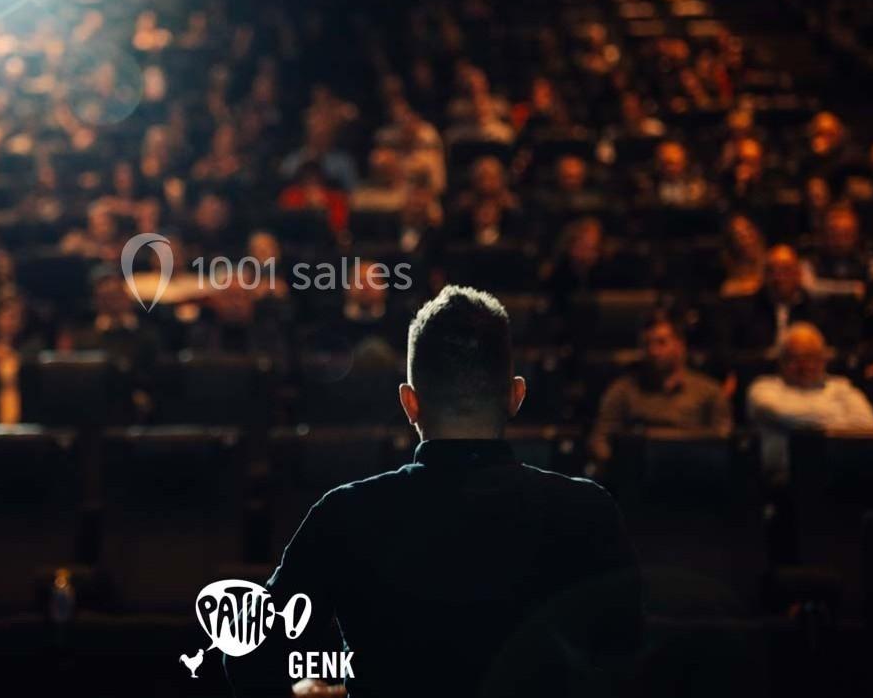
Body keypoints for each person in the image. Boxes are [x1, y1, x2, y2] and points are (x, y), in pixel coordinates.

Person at [224, 286, 643, 697]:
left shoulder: (345, 513)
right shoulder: (587, 512)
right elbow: (626, 664)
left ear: (410, 403)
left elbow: (249, 656)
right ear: (516, 395)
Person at [589, 312, 732, 462]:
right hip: (640, 472)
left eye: (661, 342)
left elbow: (723, 440)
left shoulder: (709, 392)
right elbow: (600, 437)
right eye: (647, 344)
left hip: (692, 472)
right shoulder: (623, 390)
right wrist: (618, 464)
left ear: (680, 345)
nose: (653, 351)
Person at [747, 323, 873, 483]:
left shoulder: (842, 388)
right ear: (781, 361)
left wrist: (804, 422)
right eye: (795, 358)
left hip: (841, 476)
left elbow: (868, 424)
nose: (805, 366)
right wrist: (836, 414)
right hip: (781, 479)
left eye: (811, 357)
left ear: (824, 360)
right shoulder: (764, 388)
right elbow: (783, 414)